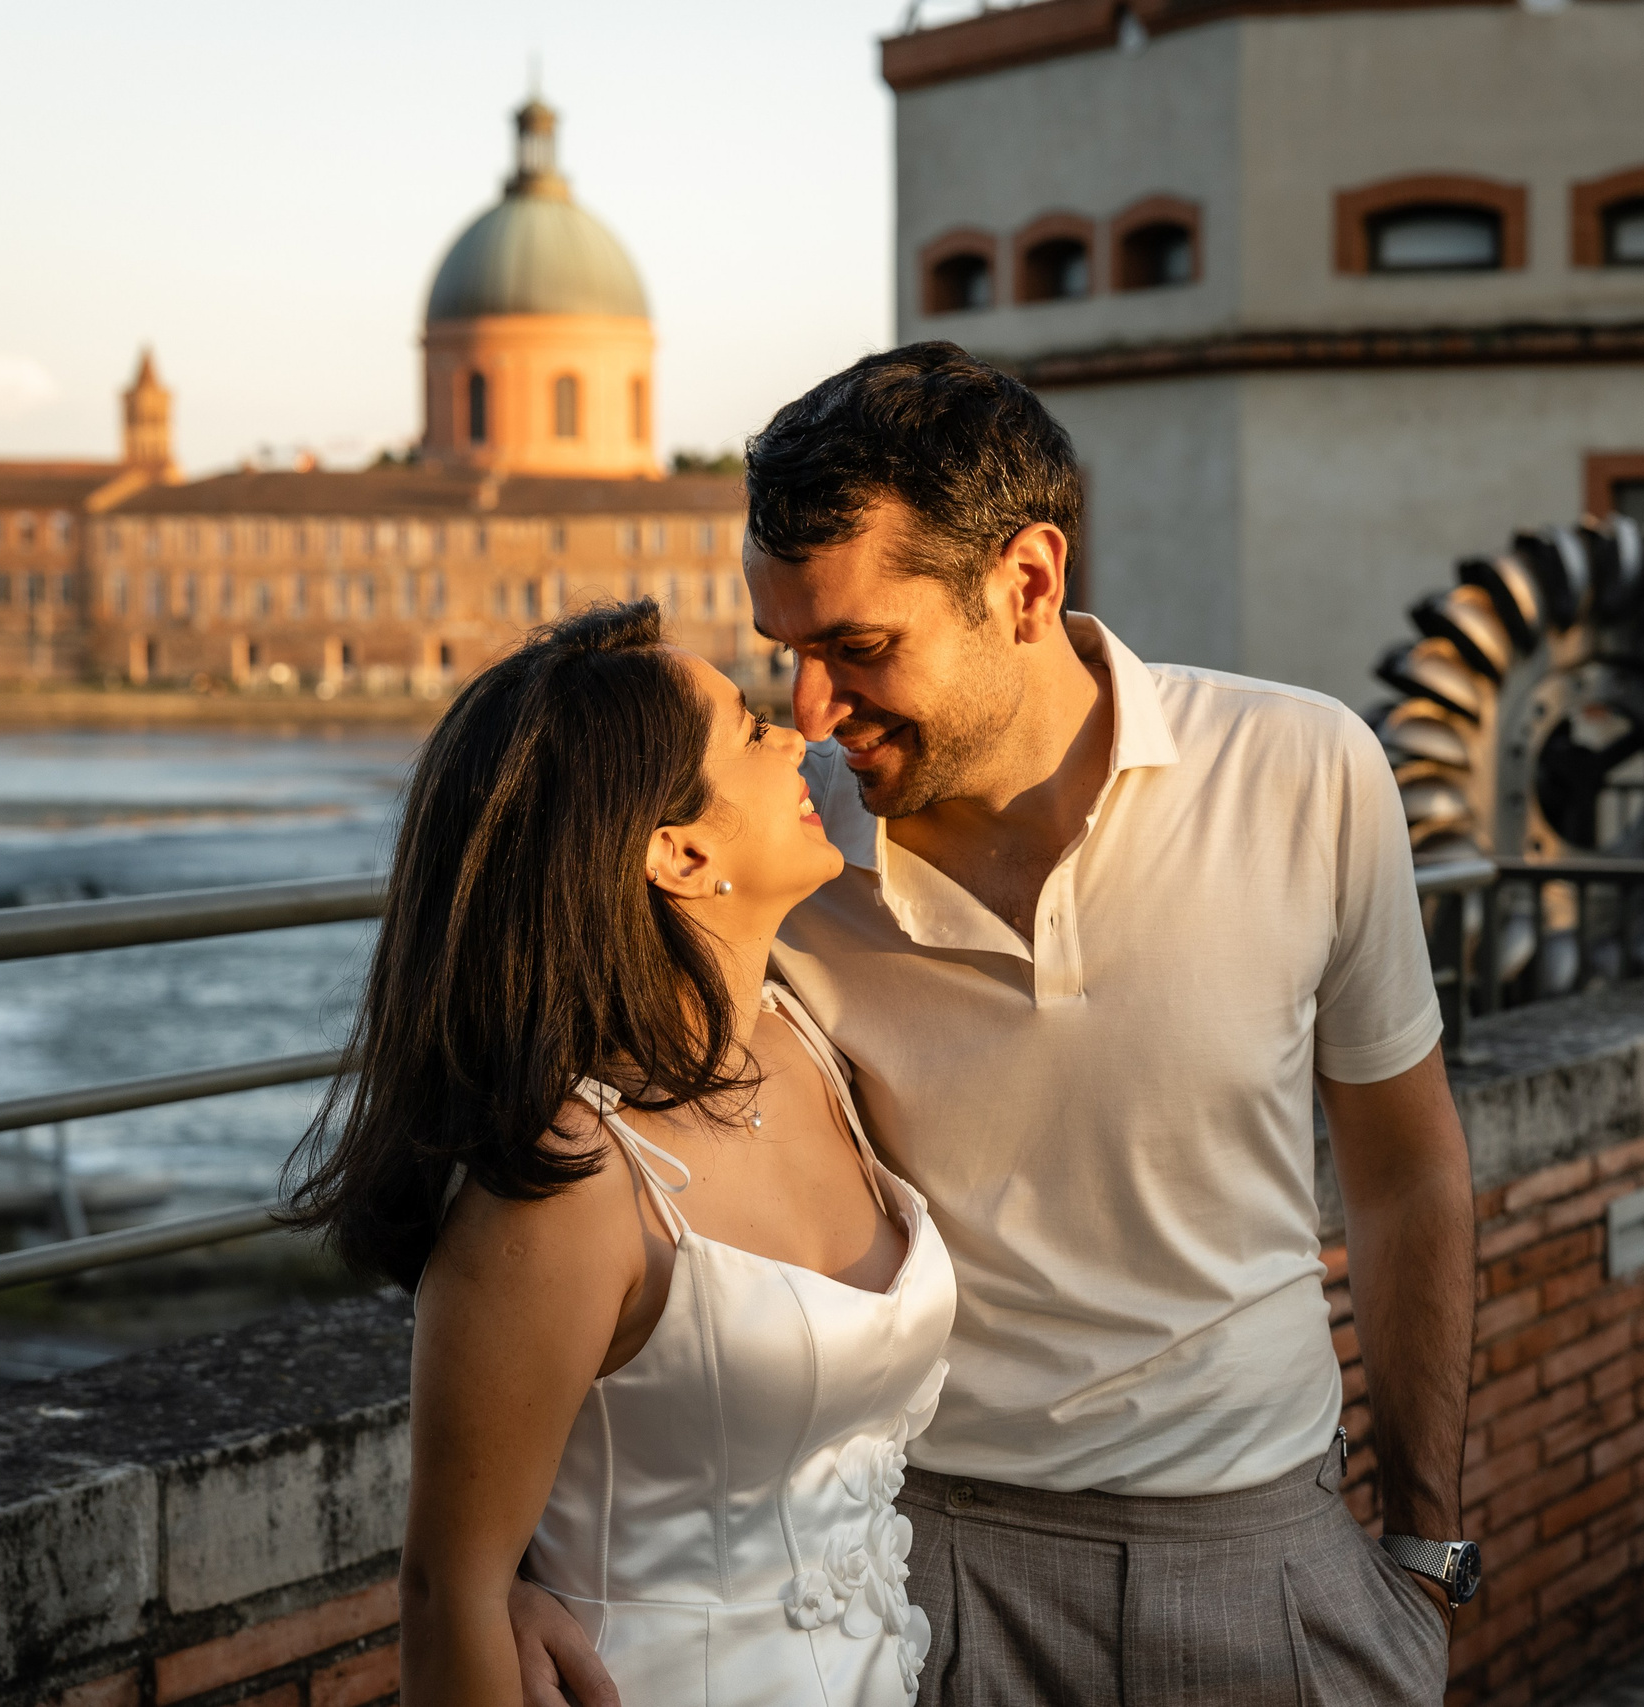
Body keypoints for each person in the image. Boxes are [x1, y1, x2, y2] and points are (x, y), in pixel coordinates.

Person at [511, 343, 1479, 1704]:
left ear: (1026, 581)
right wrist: (495, 1559)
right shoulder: (777, 859)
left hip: (1269, 1556)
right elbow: (538, 1156)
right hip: (917, 1578)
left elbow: (1408, 1166)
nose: (812, 712)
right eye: (788, 654)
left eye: (859, 648)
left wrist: (1425, 1544)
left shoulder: (1308, 767)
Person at [288, 602, 957, 1707]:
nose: (796, 736)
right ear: (679, 853)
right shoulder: (565, 1186)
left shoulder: (805, 1039)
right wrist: (507, 1586)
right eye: (749, 730)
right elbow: (447, 1588)